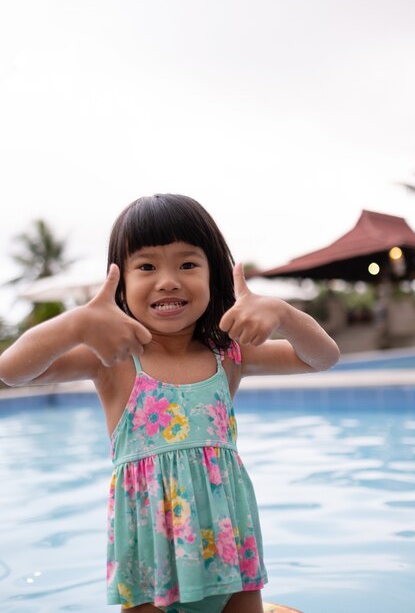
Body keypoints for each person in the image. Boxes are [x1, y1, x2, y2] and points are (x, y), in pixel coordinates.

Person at [0, 194, 340, 613]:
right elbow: (12, 371)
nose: (168, 280)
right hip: (150, 555)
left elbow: (322, 358)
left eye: (187, 264)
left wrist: (285, 315)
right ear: (120, 281)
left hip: (230, 544)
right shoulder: (115, 361)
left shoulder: (228, 354)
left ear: (213, 275)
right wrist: (77, 324)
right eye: (146, 266)